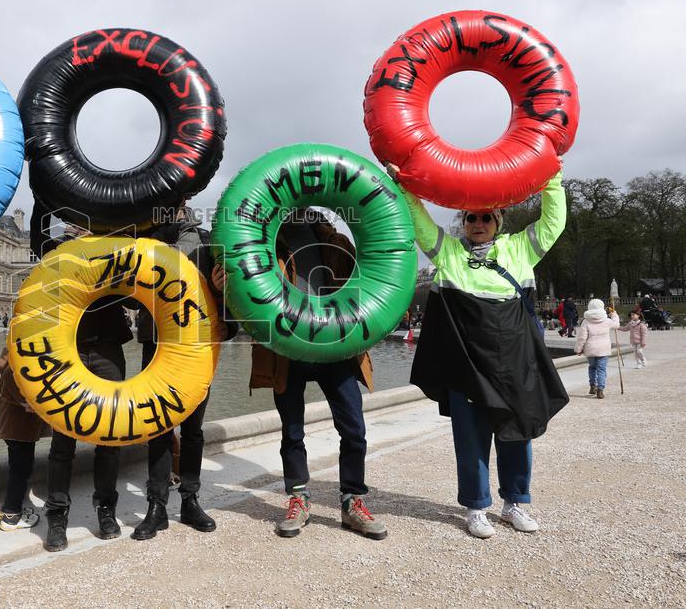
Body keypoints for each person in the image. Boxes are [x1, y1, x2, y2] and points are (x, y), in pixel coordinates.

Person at [387, 164, 569, 539]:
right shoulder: (448, 253)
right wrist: (403, 182)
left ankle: (514, 503)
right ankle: (475, 508)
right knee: (470, 440)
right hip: (466, 366)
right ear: (464, 223)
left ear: (498, 221)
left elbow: (553, 221)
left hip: (514, 362)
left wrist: (552, 176)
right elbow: (419, 221)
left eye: (486, 218)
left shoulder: (520, 249)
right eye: (471, 218)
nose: (479, 223)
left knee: (517, 434)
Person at [248, 211, 384, 540]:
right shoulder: (263, 242)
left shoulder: (334, 241)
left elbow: (367, 279)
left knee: (354, 428)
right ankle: (298, 498)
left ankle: (353, 500)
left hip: (333, 347)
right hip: (287, 349)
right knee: (292, 432)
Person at [30, 200, 131, 552]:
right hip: (67, 349)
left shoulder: (114, 248)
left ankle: (106, 509)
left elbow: (134, 301)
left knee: (110, 436)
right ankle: (57, 514)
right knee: (62, 439)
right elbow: (36, 233)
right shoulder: (55, 250)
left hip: (107, 348)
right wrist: (44, 191)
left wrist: (101, 246)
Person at [131, 202, 236, 541]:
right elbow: (130, 301)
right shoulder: (145, 240)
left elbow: (228, 305)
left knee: (193, 429)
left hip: (197, 346)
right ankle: (156, 505)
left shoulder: (209, 244)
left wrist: (221, 292)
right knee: (158, 427)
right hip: (158, 343)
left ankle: (190, 499)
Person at [0, 347, 51, 530]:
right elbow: (10, 376)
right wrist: (25, 401)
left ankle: (9, 509)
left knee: (18, 466)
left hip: (14, 425)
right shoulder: (21, 355)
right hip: (20, 424)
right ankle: (11, 515)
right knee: (21, 468)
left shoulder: (13, 350)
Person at [575, 299, 620, 398]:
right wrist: (614, 314)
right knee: (602, 370)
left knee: (592, 367)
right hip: (603, 349)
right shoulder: (606, 320)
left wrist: (578, 349)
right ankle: (600, 389)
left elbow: (582, 337)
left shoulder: (586, 321)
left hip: (590, 348)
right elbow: (616, 325)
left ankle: (592, 386)